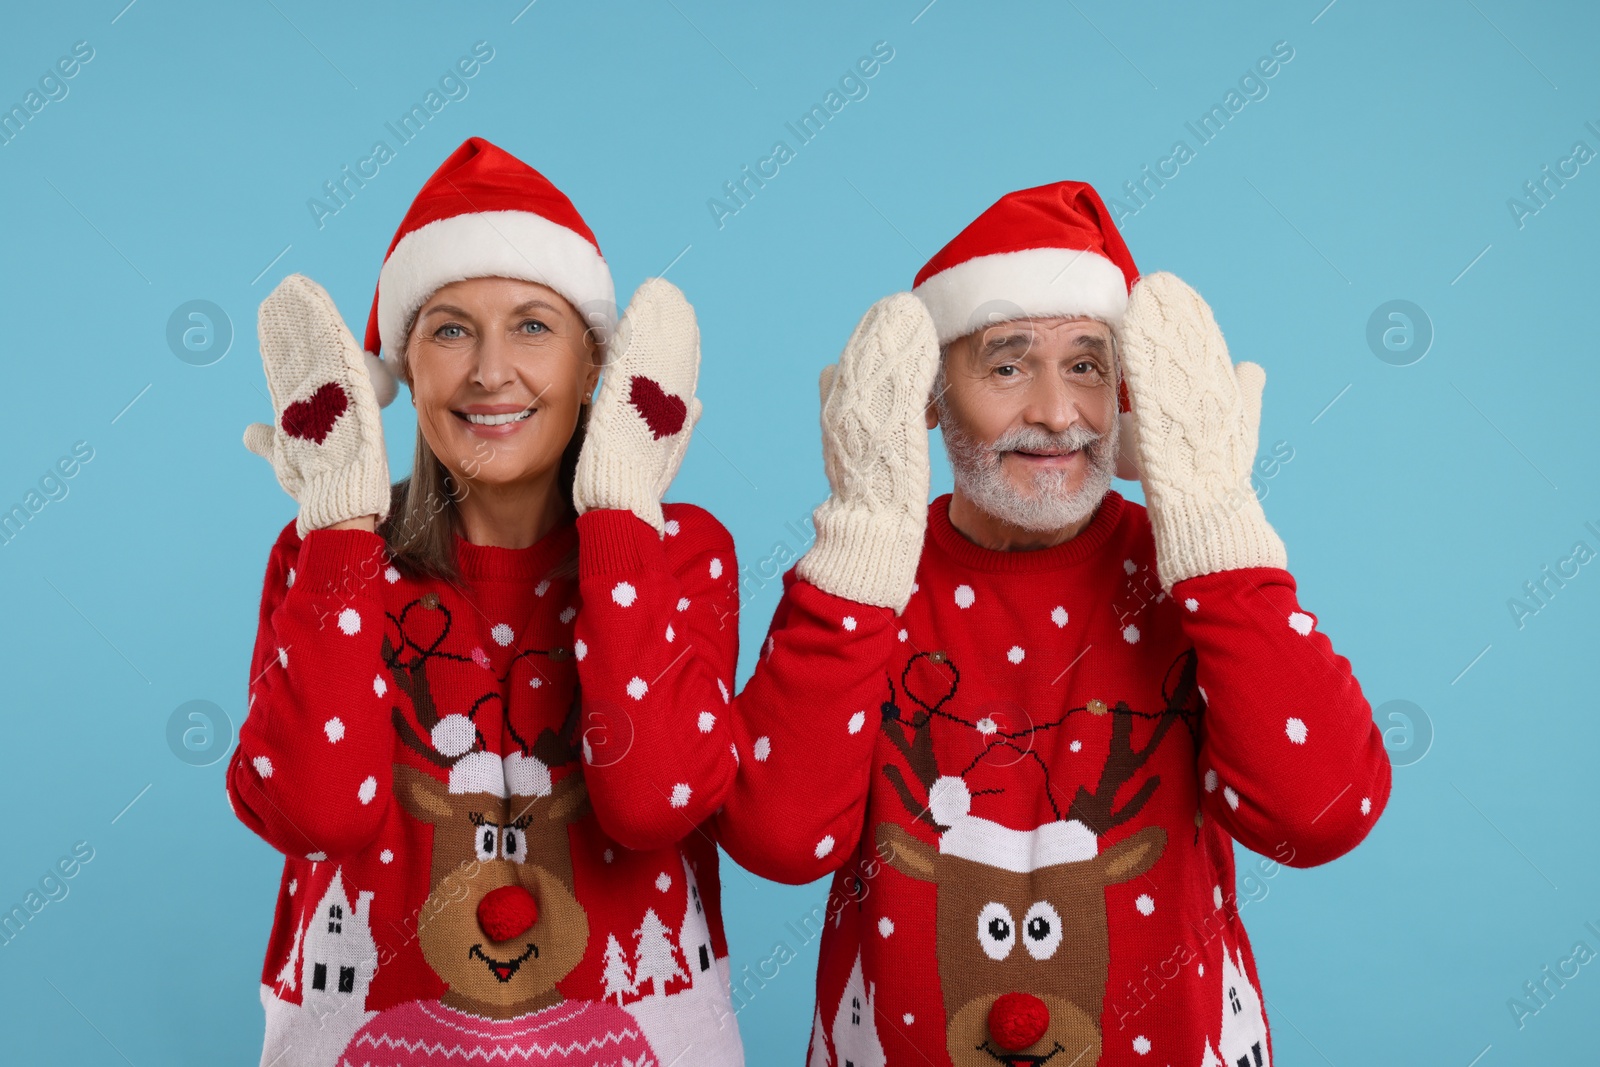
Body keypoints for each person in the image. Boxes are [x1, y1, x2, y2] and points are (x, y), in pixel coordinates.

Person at [716, 181, 1391, 1066]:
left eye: (1086, 365)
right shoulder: (863, 580)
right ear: (928, 394)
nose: (1055, 413)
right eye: (1006, 363)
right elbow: (779, 838)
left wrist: (1218, 526)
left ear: (1131, 392)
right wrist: (862, 546)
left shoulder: (1191, 572)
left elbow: (1323, 814)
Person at [227, 137, 745, 1067]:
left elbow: (652, 800)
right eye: (452, 329)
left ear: (600, 369)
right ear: (403, 369)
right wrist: (341, 529)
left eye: (535, 326)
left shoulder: (682, 552)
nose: (490, 372)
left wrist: (621, 516)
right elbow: (317, 813)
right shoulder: (324, 555)